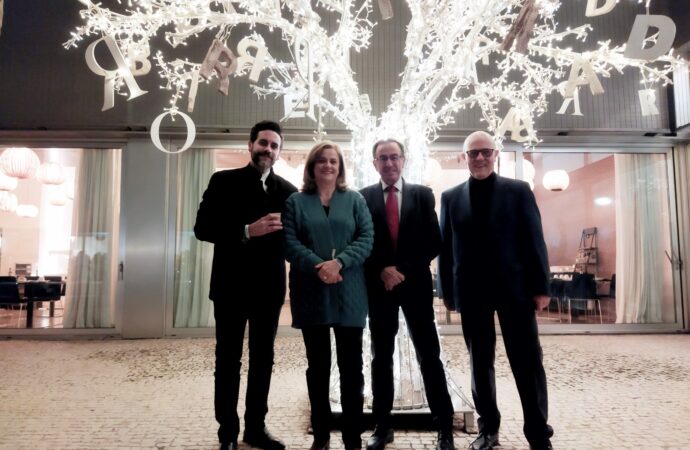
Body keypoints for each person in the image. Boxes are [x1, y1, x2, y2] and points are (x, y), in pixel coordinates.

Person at [438, 131, 553, 450]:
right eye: (472, 153)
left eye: (485, 152)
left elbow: (535, 240)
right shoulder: (450, 197)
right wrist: (446, 290)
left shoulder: (518, 191)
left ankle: (537, 431)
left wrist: (541, 286)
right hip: (472, 291)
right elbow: (446, 249)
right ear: (463, 157)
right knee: (480, 362)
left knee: (527, 361)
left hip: (515, 290)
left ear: (496, 154)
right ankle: (488, 429)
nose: (479, 158)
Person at [194, 120, 297, 450]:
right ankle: (227, 434)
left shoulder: (288, 191)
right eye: (263, 143)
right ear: (250, 145)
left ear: (279, 152)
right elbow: (203, 228)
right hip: (230, 286)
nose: (268, 149)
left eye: (274, 145)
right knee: (228, 360)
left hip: (269, 290)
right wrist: (245, 230)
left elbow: (297, 239)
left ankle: (255, 429)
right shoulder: (222, 181)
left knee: (263, 360)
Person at [360, 139, 455, 450]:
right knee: (381, 359)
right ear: (374, 163)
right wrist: (382, 270)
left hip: (414, 287)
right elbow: (362, 240)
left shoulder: (422, 194)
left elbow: (434, 241)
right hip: (380, 289)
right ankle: (382, 426)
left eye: (394, 157)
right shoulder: (363, 197)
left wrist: (399, 269)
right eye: (382, 158)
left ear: (404, 160)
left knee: (429, 356)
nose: (389, 163)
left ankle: (445, 427)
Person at [283, 141, 374, 450]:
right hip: (311, 292)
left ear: (340, 166)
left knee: (352, 370)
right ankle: (321, 436)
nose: (328, 165)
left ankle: (353, 437)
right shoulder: (296, 201)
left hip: (350, 292)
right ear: (312, 166)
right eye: (321, 160)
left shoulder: (355, 200)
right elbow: (289, 241)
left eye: (333, 161)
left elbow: (366, 238)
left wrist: (340, 263)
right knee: (318, 368)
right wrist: (318, 266)